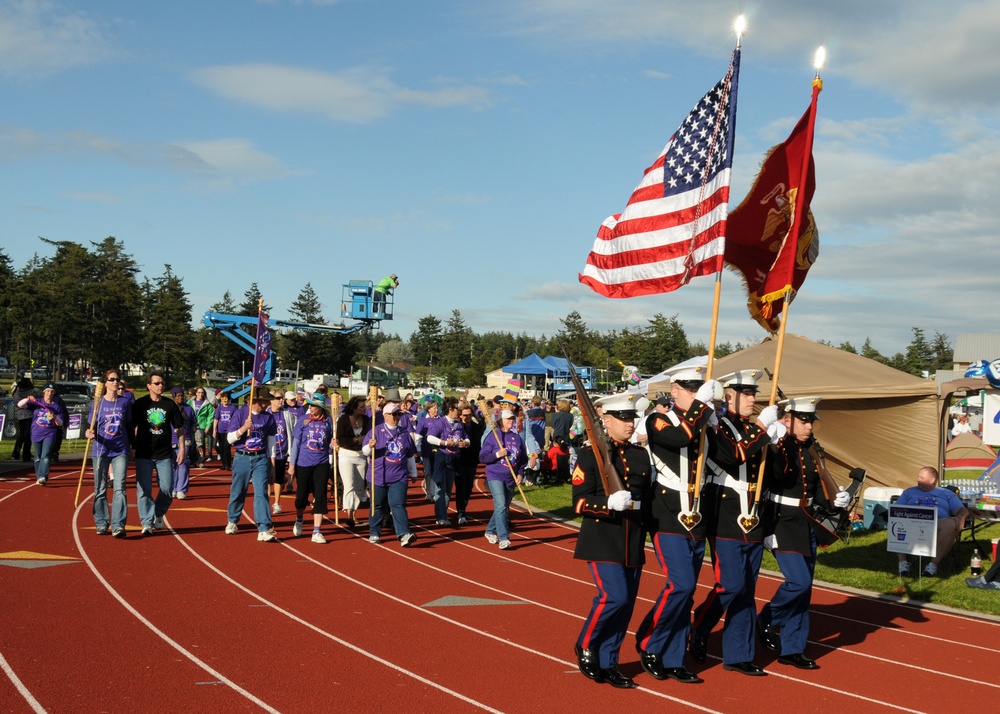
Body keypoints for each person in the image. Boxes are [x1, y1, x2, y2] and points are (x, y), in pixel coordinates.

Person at [632, 367, 716, 684]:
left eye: (700, 388)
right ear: (676, 389)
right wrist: (701, 408)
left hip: (696, 512)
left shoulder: (704, 420)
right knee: (680, 584)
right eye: (691, 388)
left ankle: (674, 657)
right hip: (667, 512)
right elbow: (681, 437)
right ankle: (650, 642)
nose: (696, 393)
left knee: (688, 591)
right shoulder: (659, 420)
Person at [690, 370, 774, 676]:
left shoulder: (754, 429)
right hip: (725, 515)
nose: (753, 399)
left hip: (754, 516)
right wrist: (763, 430)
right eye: (746, 394)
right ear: (729, 397)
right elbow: (732, 456)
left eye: (754, 394)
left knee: (747, 590)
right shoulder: (717, 425)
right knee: (730, 584)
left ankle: (739, 654)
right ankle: (699, 627)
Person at [758, 396, 851, 671]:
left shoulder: (811, 449)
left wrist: (834, 499)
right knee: (797, 582)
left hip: (806, 521)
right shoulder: (777, 447)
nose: (809, 426)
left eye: (811, 421)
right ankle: (766, 617)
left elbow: (814, 487)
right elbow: (770, 480)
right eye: (803, 420)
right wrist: (773, 440)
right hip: (781, 522)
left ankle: (792, 648)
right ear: (787, 420)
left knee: (805, 590)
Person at [572, 392, 652, 689]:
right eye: (623, 418)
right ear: (605, 421)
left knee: (626, 605)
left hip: (632, 539)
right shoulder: (589, 454)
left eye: (632, 418)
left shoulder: (640, 454)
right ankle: (587, 643)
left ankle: (610, 661)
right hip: (603, 538)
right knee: (614, 597)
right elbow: (579, 503)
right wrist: (607, 503)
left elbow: (647, 499)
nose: (630, 423)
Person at [132, 372, 186, 535]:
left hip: (164, 454)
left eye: (162, 383)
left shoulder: (170, 405)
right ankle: (146, 522)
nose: (160, 386)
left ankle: (158, 513)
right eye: (157, 383)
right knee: (144, 490)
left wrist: (182, 448)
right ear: (149, 385)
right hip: (144, 453)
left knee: (167, 488)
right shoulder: (140, 404)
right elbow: (133, 427)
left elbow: (179, 428)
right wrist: (132, 447)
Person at [224, 386, 278, 542]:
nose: (267, 404)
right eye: (264, 401)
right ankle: (233, 520)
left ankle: (263, 527)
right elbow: (229, 439)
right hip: (242, 457)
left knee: (261, 492)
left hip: (260, 458)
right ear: (256, 401)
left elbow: (271, 441)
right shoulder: (240, 414)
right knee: (238, 491)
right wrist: (243, 429)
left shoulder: (268, 417)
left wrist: (272, 463)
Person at [895, 466, 968, 577]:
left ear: (932, 480)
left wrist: (961, 517)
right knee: (896, 521)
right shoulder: (909, 492)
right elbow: (895, 510)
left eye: (921, 477)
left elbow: (962, 510)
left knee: (951, 524)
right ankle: (903, 563)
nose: (918, 479)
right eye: (918, 477)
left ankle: (932, 565)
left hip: (937, 524)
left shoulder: (946, 494)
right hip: (911, 523)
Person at [362, 402, 418, 547]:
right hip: (378, 475)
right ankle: (374, 532)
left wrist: (414, 472)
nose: (397, 417)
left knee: (398, 504)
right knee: (378, 505)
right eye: (394, 414)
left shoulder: (404, 433)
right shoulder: (375, 431)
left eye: (399, 414)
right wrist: (370, 446)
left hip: (399, 476)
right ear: (385, 416)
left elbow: (410, 454)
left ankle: (404, 534)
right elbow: (365, 452)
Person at [85, 370, 133, 537]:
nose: (115, 382)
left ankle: (118, 525)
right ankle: (101, 522)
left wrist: (132, 446)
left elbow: (128, 425)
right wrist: (88, 434)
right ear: (105, 383)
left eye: (117, 380)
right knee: (100, 488)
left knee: (119, 488)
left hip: (120, 450)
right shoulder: (97, 404)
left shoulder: (124, 403)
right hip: (101, 450)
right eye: (111, 379)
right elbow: (91, 426)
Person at [479, 406, 531, 550]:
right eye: (508, 419)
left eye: (512, 418)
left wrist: (520, 473)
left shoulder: (516, 437)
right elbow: (482, 457)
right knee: (501, 505)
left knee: (503, 508)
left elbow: (522, 459)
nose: (511, 421)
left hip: (511, 477)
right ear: (501, 421)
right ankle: (504, 538)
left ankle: (489, 530)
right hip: (495, 475)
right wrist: (497, 454)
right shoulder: (493, 436)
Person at [289, 392, 334, 544]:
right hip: (303, 463)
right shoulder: (303, 420)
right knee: (301, 497)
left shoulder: (328, 421)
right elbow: (295, 444)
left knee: (320, 495)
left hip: (321, 463)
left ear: (321, 407)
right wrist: (292, 465)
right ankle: (299, 519)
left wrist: (334, 445)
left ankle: (316, 531)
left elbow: (330, 443)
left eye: (315, 406)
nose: (312, 408)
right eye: (310, 405)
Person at [425, 396, 469, 526]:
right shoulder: (439, 423)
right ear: (450, 409)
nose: (459, 411)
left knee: (448, 489)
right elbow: (429, 438)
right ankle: (440, 516)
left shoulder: (459, 425)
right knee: (440, 488)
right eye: (457, 408)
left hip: (454, 459)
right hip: (441, 458)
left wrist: (465, 443)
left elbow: (467, 439)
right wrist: (444, 442)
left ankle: (443, 514)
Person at [17, 382, 69, 486]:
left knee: (46, 455)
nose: (49, 393)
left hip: (50, 433)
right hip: (36, 432)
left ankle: (43, 476)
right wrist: (28, 399)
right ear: (44, 392)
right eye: (47, 391)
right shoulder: (37, 402)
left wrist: (55, 417)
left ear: (54, 393)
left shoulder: (56, 406)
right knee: (37, 457)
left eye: (52, 391)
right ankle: (38, 476)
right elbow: (20, 404)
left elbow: (60, 423)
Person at [335, 395, 370, 528]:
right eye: (362, 407)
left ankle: (353, 513)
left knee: (359, 486)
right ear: (354, 408)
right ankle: (349, 514)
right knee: (349, 484)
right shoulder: (343, 419)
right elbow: (340, 439)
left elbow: (369, 435)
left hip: (361, 455)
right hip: (346, 454)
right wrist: (356, 440)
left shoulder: (366, 420)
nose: (364, 409)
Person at [456, 401, 485, 525]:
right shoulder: (456, 427)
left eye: (469, 415)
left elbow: (479, 442)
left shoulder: (476, 427)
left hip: (472, 460)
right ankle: (461, 512)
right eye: (464, 415)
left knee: (469, 487)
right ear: (460, 415)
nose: (466, 417)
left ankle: (464, 503)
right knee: (461, 487)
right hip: (459, 460)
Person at [268, 391, 295, 515]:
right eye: (278, 398)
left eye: (281, 398)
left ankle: (277, 502)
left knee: (278, 478)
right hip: (268, 453)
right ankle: (266, 502)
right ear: (271, 400)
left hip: (282, 452)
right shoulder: (266, 413)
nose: (281, 400)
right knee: (268, 479)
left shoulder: (286, 414)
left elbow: (293, 427)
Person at [170, 387, 196, 500]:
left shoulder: (188, 409)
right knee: (172, 465)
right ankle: (173, 488)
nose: (180, 398)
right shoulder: (169, 408)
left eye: (182, 395)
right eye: (178, 396)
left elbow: (194, 423)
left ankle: (181, 489)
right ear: (173, 396)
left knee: (183, 463)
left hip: (185, 439)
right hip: (171, 440)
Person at [213, 391, 239, 471]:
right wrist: (214, 430)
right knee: (220, 448)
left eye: (226, 398)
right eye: (223, 398)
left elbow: (235, 419)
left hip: (229, 430)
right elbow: (216, 419)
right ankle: (223, 464)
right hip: (220, 430)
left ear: (229, 399)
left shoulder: (233, 408)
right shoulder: (219, 408)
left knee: (226, 447)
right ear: (221, 399)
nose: (225, 400)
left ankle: (228, 464)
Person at [189, 386, 215, 467]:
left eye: (202, 393)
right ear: (196, 393)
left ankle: (201, 461)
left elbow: (210, 416)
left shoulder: (207, 404)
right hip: (191, 425)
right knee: (192, 444)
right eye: (199, 392)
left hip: (201, 426)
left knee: (201, 444)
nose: (200, 394)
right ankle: (192, 462)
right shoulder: (190, 402)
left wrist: (208, 426)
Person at [11, 376, 35, 462]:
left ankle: (16, 454)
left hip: (19, 415)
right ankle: (26, 455)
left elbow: (15, 402)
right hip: (29, 415)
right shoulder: (31, 392)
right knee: (28, 436)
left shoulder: (17, 392)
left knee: (21, 435)